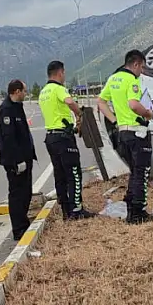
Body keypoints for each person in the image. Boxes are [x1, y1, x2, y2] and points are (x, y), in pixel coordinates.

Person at [98, 50, 153, 224]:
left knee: (134, 171)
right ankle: (138, 213)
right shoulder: (132, 80)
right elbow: (133, 104)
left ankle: (131, 205)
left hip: (122, 132)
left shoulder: (113, 78)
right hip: (138, 131)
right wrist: (147, 113)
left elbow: (100, 101)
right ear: (136, 64)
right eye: (142, 67)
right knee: (141, 172)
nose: (142, 72)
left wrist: (114, 120)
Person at [38, 60, 94, 220]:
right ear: (60, 72)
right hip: (63, 137)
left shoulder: (44, 92)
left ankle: (65, 210)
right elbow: (69, 102)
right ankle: (77, 209)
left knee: (59, 175)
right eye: (64, 73)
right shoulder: (58, 89)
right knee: (74, 173)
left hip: (51, 137)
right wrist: (79, 114)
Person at [0, 79, 37, 240]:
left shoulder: (17, 107)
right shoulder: (6, 110)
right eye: (24, 91)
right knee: (17, 194)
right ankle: (18, 228)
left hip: (25, 158)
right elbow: (9, 139)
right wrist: (17, 161)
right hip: (15, 161)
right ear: (17, 91)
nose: (26, 94)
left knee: (26, 192)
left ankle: (23, 222)